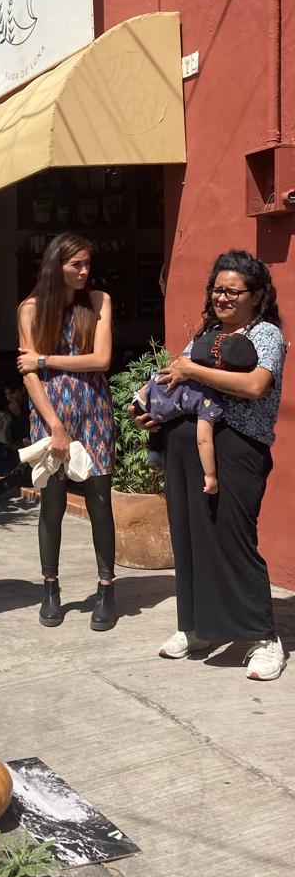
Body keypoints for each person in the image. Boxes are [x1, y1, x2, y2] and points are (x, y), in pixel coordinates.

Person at [144, 250, 287, 680]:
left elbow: (255, 386)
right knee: (189, 537)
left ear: (256, 295)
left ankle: (264, 638)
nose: (222, 297)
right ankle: (196, 628)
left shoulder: (265, 335)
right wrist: (152, 409)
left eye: (232, 291)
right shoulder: (206, 334)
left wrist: (193, 371)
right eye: (217, 290)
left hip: (238, 447)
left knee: (233, 538)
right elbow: (176, 377)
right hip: (185, 445)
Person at [16, 233, 116, 631]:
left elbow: (101, 359)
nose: (84, 271)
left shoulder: (98, 301)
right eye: (77, 264)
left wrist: (44, 358)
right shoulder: (31, 309)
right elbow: (29, 377)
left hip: (94, 409)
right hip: (50, 412)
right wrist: (55, 426)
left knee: (99, 500)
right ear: (56, 265)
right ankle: (50, 589)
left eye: (88, 264)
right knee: (52, 502)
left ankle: (106, 589)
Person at [134, 331, 259, 493]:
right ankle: (155, 453)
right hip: (154, 412)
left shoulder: (182, 367)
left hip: (144, 396)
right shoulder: (206, 397)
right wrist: (210, 476)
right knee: (159, 427)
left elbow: (153, 383)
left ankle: (155, 451)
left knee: (160, 420)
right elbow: (203, 440)